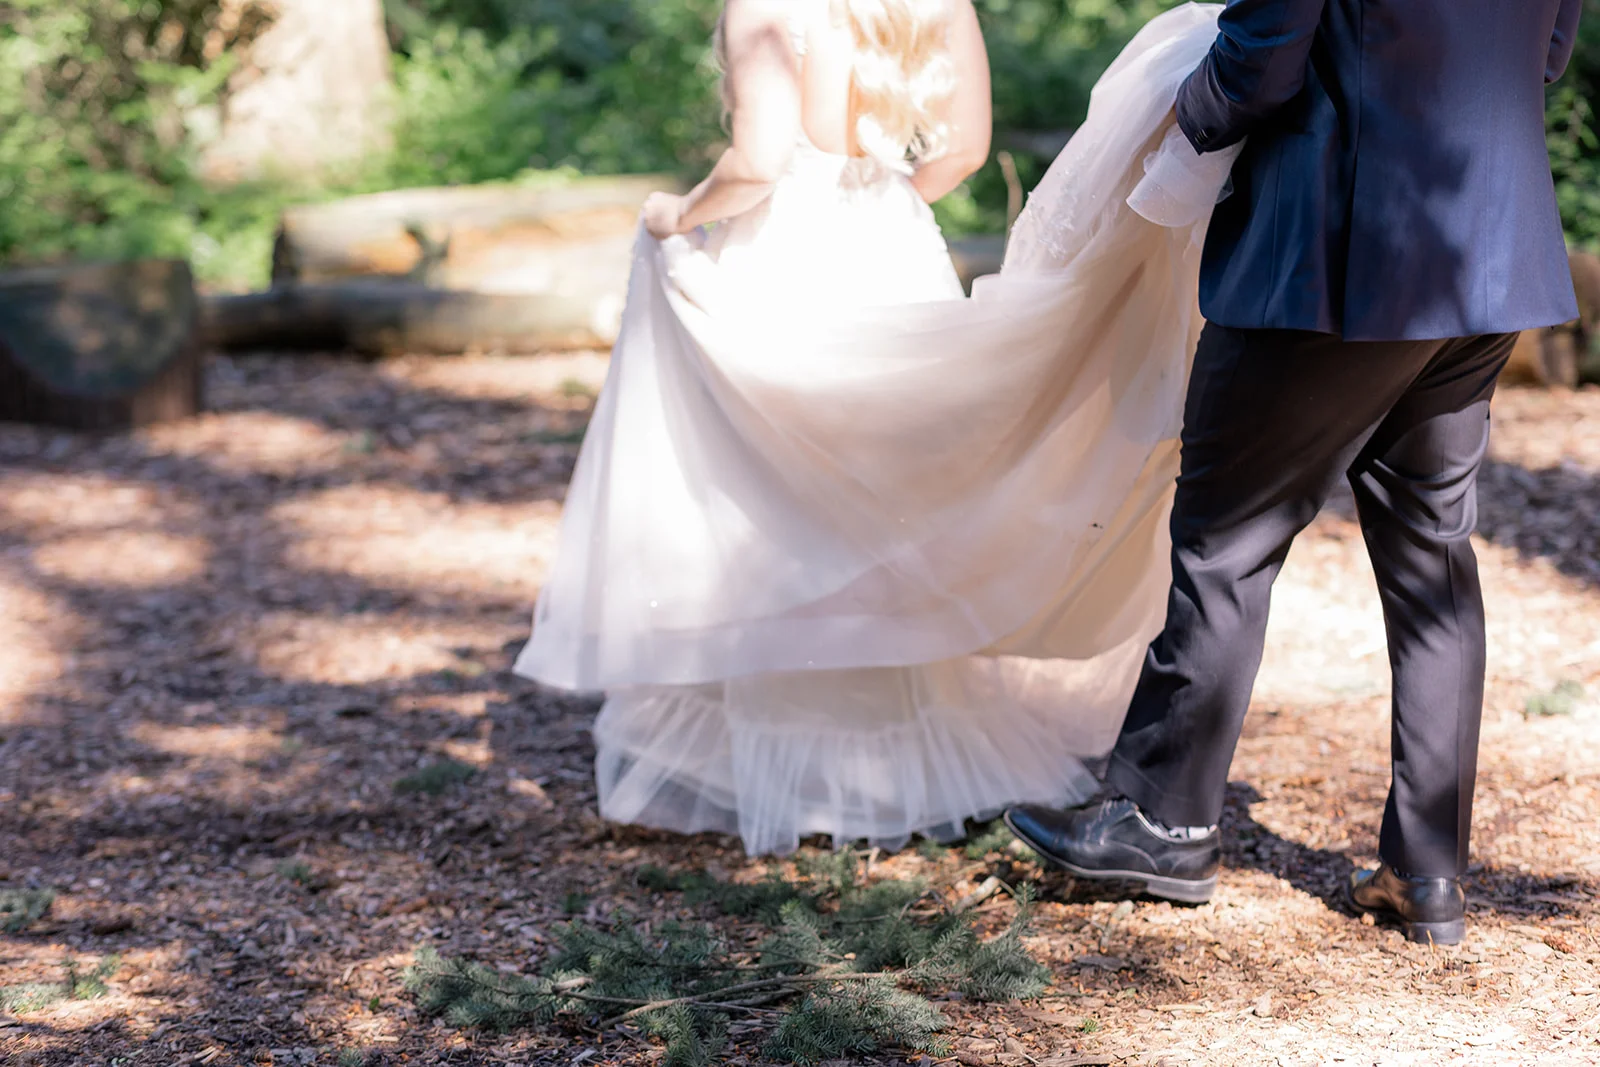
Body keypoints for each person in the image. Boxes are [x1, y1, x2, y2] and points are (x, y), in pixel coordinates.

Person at [515, 0, 1246, 857]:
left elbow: (755, 162)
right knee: (894, 503)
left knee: (773, 500)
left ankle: (780, 763)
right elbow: (965, 149)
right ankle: (894, 767)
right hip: (893, 245)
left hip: (787, 250)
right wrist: (886, 198)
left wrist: (676, 214)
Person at [1003, 0, 1583, 946]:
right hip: (1488, 246)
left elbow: (1263, 61)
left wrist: (1169, 112)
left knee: (1226, 539)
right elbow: (1546, 53)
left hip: (1339, 247)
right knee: (1432, 555)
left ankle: (1161, 821)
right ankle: (1426, 869)